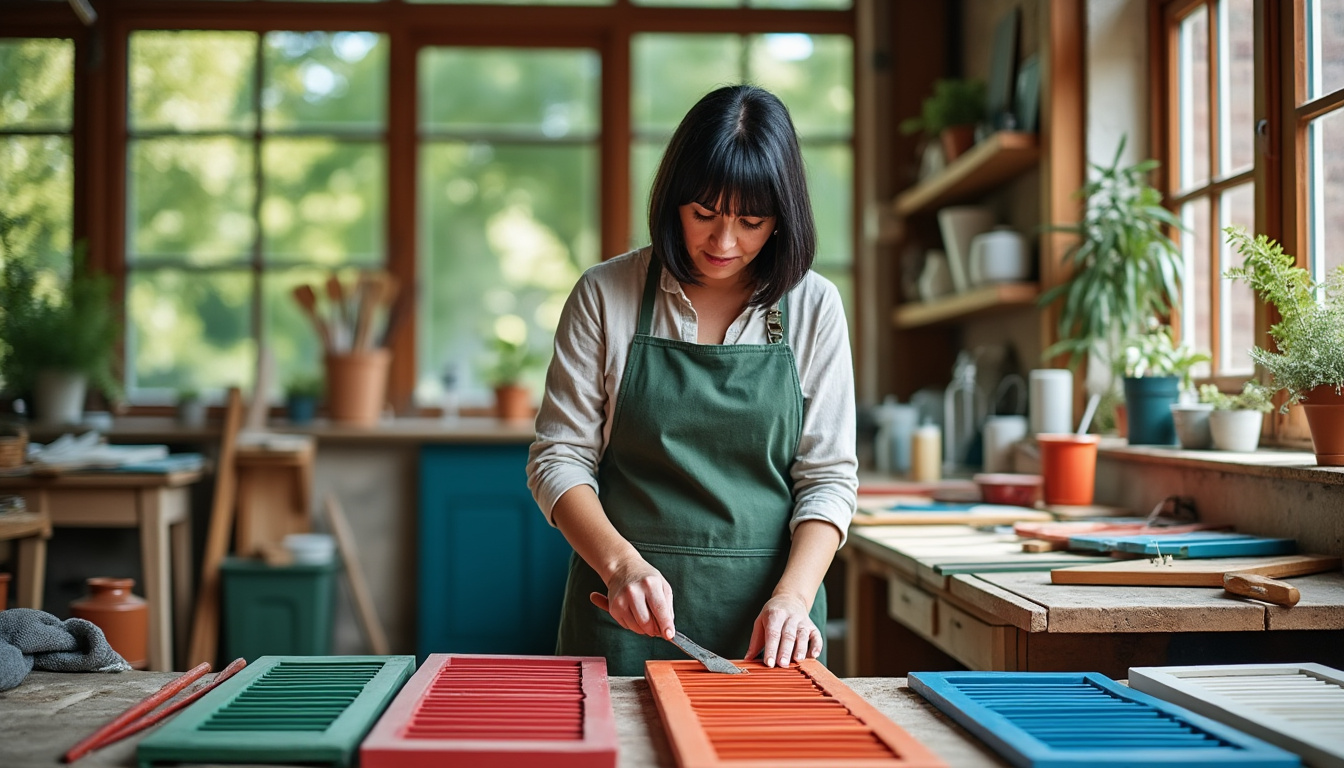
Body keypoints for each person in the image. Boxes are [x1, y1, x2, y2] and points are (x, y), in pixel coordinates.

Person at [526, 84, 857, 677]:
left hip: (771, 624)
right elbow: (560, 458)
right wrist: (621, 567)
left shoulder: (815, 306)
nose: (723, 242)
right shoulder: (605, 294)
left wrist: (793, 597)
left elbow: (828, 477)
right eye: (703, 214)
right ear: (673, 200)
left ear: (783, 218)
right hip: (622, 611)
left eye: (751, 221)